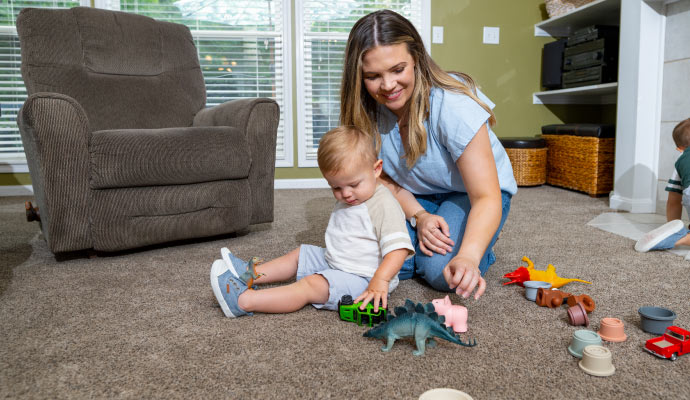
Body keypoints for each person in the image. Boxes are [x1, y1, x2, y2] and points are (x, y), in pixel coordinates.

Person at [339, 10, 517, 300]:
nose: (387, 86)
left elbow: (486, 196)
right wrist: (419, 215)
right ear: (359, 77)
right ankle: (436, 225)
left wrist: (469, 256)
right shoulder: (366, 113)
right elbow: (378, 175)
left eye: (398, 70)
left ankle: (481, 244)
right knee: (366, 256)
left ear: (417, 59)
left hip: (473, 194)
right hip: (416, 195)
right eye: (373, 76)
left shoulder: (452, 105)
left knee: (441, 272)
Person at [210, 126, 414, 318]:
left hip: (365, 279)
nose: (346, 194)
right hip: (338, 261)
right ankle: (247, 275)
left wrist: (381, 280)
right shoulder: (354, 195)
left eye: (353, 184)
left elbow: (399, 249)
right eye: (336, 188)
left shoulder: (383, 204)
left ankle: (244, 302)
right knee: (300, 254)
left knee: (311, 285)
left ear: (376, 169)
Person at [635, 118, 690, 253]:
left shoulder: (681, 160)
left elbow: (673, 201)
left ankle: (674, 236)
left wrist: (672, 227)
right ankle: (681, 240)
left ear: (679, 149)